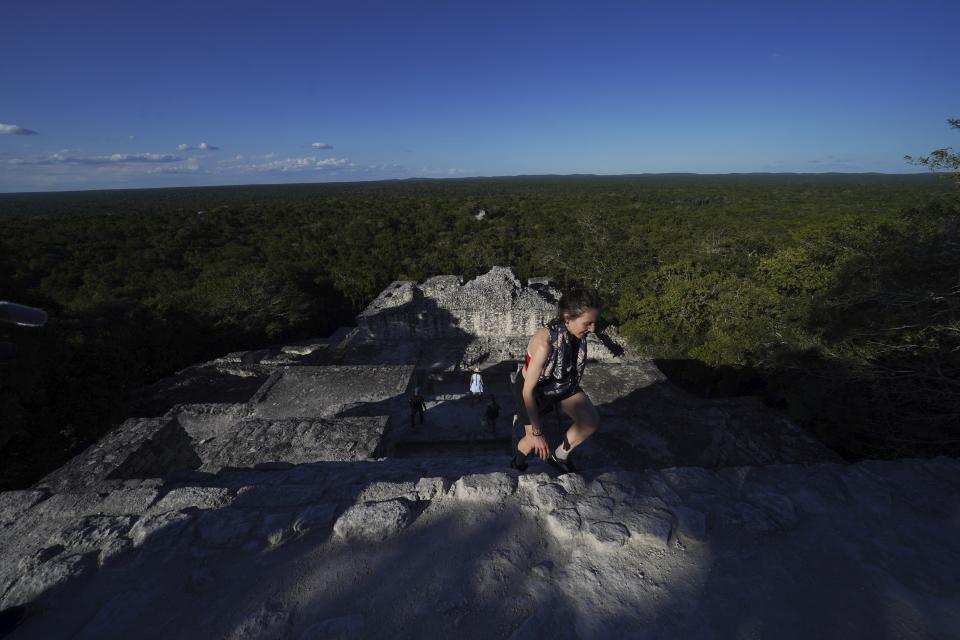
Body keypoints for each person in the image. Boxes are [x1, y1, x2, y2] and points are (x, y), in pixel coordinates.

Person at [510, 288, 602, 474]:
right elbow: (527, 391)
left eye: (594, 322)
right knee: (531, 441)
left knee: (590, 421)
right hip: (535, 389)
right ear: (568, 317)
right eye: (588, 323)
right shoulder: (545, 344)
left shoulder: (576, 332)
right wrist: (537, 433)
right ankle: (517, 464)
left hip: (563, 381)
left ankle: (559, 456)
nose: (593, 329)